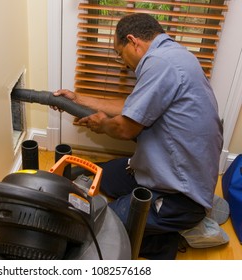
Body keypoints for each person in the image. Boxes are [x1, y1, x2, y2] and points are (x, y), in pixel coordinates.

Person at [52, 13, 223, 259]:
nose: (123, 63)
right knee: (100, 176)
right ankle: (154, 222)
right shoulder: (174, 55)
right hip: (159, 168)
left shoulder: (160, 63)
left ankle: (167, 240)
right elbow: (132, 106)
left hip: (180, 195)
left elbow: (125, 128)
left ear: (133, 41)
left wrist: (102, 125)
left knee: (99, 227)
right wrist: (78, 98)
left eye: (120, 54)